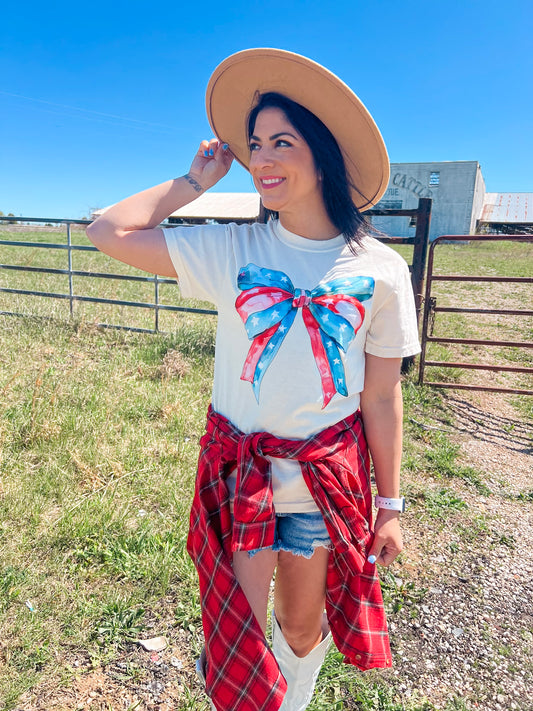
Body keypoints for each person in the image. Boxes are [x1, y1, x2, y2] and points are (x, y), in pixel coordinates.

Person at [86, 48, 420, 711]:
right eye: (255, 143)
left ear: (320, 154)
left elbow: (380, 395)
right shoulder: (229, 249)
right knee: (235, 629)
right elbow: (108, 229)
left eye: (281, 142)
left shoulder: (380, 270)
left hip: (326, 480)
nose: (261, 157)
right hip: (240, 473)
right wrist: (193, 182)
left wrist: (391, 505)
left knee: (300, 624)